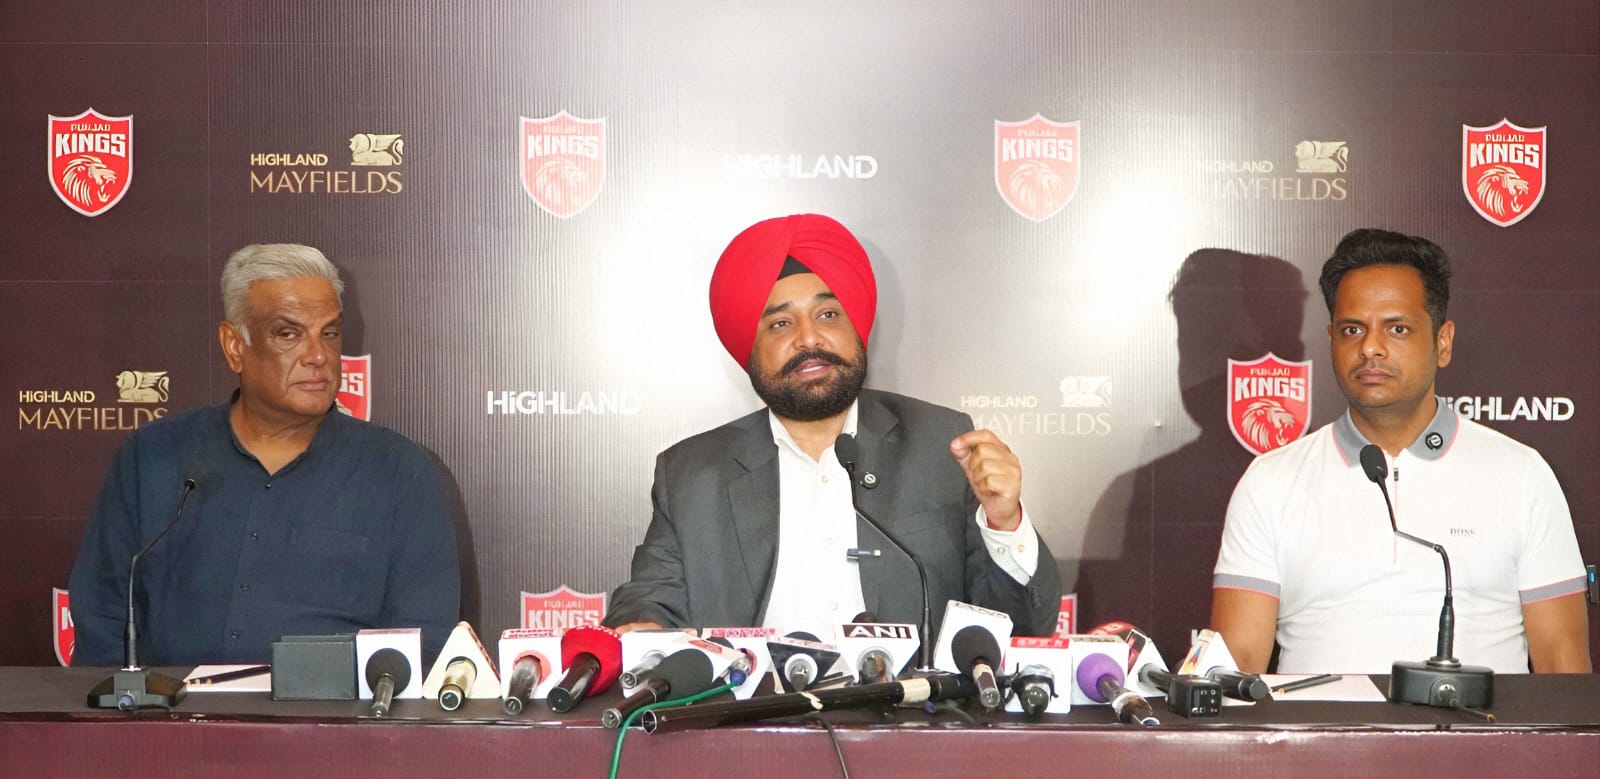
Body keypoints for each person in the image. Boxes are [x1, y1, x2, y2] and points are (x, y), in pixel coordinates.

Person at [603, 214, 1062, 640]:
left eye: (827, 315)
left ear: (855, 328)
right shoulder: (693, 473)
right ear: (749, 349)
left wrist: (1005, 523)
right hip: (754, 699)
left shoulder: (940, 444)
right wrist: (643, 630)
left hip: (908, 701)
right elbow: (649, 599)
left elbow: (1019, 630)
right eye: (780, 323)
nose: (808, 338)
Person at [1211, 228, 1590, 674]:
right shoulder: (1271, 482)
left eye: (1397, 329)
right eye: (1352, 329)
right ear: (1331, 338)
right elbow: (1234, 669)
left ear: (1442, 343)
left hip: (1480, 722)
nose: (1370, 347)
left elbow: (1563, 667)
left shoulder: (1521, 474)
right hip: (1320, 722)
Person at [68, 243, 460, 666]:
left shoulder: (400, 474)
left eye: (329, 333)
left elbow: (422, 644)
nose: (318, 356)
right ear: (235, 346)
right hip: (171, 707)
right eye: (288, 334)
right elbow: (102, 618)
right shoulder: (152, 458)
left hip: (334, 711)